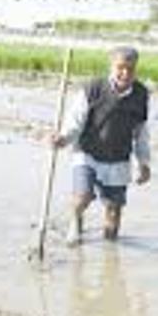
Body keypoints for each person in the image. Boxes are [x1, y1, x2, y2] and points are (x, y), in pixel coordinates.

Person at [49, 45, 151, 244]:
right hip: (87, 153)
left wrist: (144, 163)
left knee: (113, 217)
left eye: (130, 69)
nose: (125, 73)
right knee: (83, 197)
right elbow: (75, 121)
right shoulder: (93, 88)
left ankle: (110, 257)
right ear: (111, 67)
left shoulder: (141, 95)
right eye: (120, 67)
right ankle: (76, 221)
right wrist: (62, 138)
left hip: (118, 158)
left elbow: (141, 133)